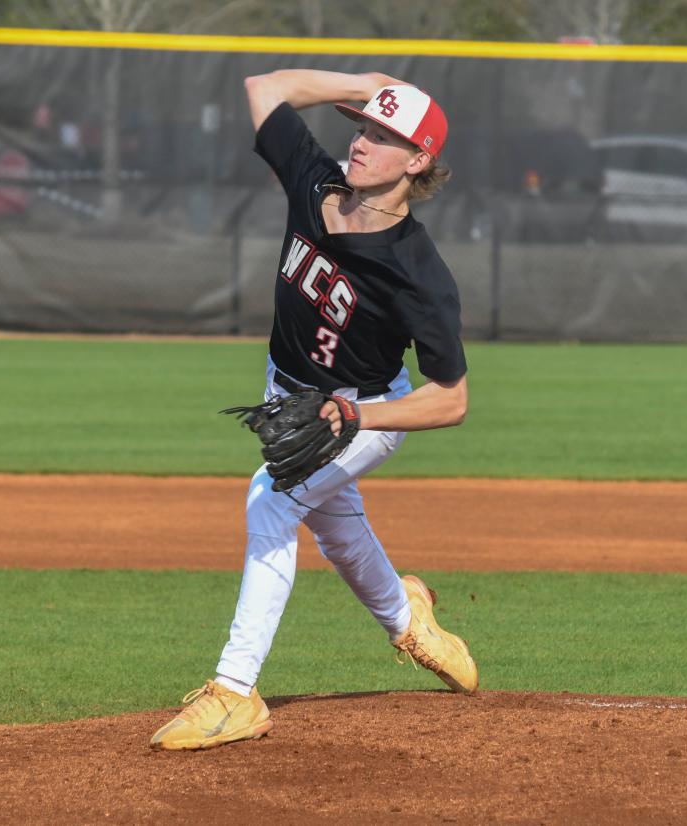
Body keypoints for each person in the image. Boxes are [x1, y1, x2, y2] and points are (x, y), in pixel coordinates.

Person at [150, 69, 476, 751]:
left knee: (272, 500)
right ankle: (407, 619)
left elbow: (450, 399)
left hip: (363, 411)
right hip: (288, 395)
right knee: (335, 528)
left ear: (418, 162)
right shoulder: (314, 180)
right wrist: (359, 81)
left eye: (386, 137)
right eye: (363, 126)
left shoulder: (418, 275)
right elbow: (263, 86)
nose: (362, 143)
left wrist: (357, 421)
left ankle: (235, 693)